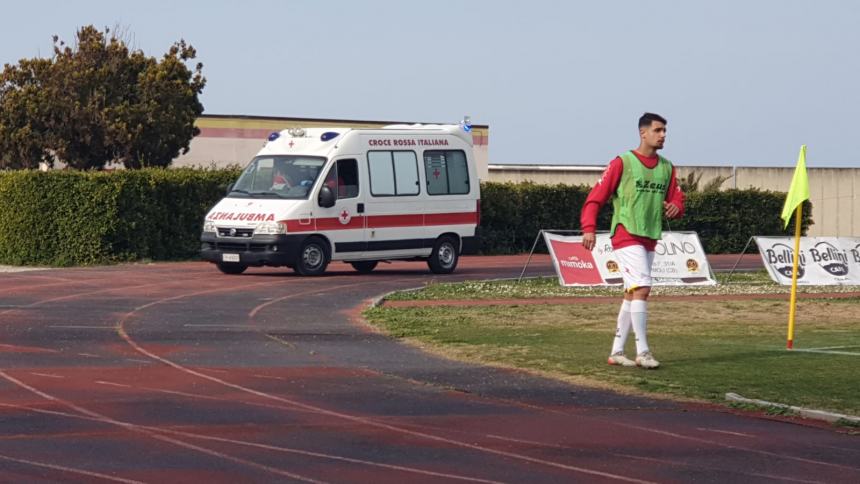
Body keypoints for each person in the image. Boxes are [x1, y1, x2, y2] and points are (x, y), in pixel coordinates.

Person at [580, 112, 685, 369]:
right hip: (626, 233)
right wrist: (589, 228)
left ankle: (617, 352)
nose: (663, 136)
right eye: (658, 130)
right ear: (643, 133)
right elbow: (596, 197)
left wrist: (675, 207)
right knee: (643, 289)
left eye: (664, 132)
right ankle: (643, 352)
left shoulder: (667, 167)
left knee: (632, 293)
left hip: (650, 236)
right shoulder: (622, 162)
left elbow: (677, 200)